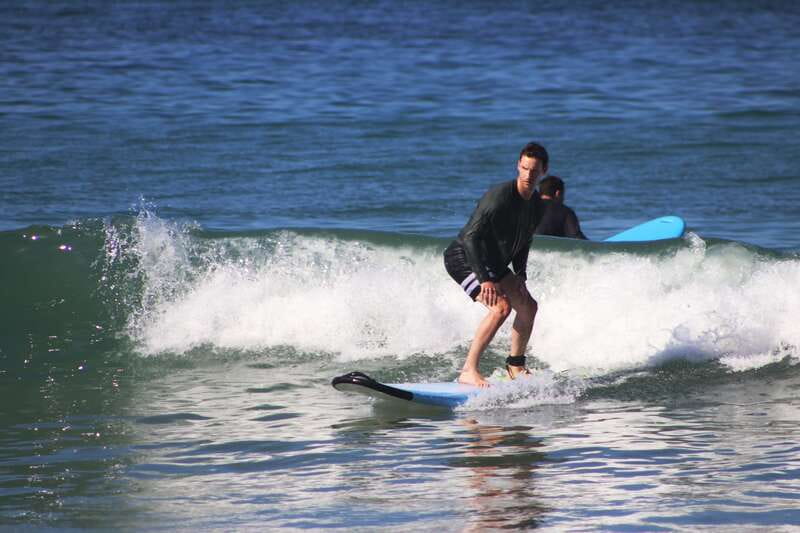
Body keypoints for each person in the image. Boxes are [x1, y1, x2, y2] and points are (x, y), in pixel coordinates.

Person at [443, 142, 547, 387]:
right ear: (518, 166)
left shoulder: (536, 205)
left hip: (493, 262)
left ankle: (515, 366)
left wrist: (520, 274)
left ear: (544, 171)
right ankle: (468, 370)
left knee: (528, 306)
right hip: (464, 257)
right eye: (524, 168)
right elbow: (470, 237)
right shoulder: (499, 197)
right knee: (501, 308)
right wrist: (486, 280)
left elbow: (525, 240)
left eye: (534, 170)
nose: (528, 175)